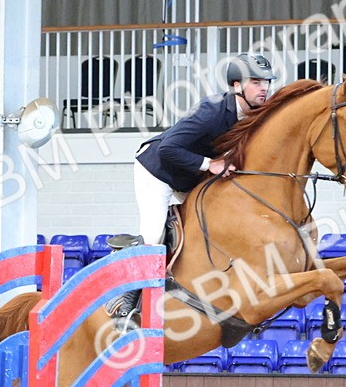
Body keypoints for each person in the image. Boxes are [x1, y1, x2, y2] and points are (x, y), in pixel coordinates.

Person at [106, 53, 276, 324]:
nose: (264, 88)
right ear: (236, 85)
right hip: (157, 169)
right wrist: (211, 164)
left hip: (189, 176)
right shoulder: (211, 110)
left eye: (266, 82)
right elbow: (168, 148)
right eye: (256, 82)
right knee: (153, 235)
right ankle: (124, 302)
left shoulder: (257, 116)